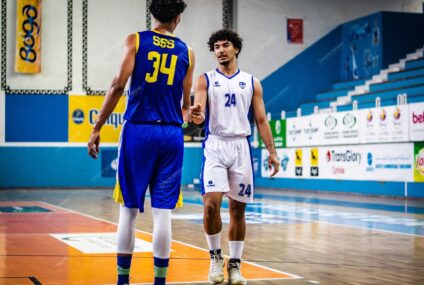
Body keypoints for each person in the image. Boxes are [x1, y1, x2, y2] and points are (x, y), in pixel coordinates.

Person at [87, 1, 194, 284]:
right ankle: (160, 281)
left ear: (152, 14)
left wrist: (97, 126)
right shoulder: (188, 52)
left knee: (129, 210)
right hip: (171, 135)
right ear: (178, 18)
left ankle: (123, 280)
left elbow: (118, 85)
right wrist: (187, 115)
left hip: (139, 131)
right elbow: (186, 106)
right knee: (163, 213)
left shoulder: (136, 39)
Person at [189, 29, 279, 285]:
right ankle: (216, 257)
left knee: (238, 209)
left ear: (236, 49)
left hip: (241, 146)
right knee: (210, 205)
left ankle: (236, 265)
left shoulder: (252, 82)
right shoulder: (205, 79)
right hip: (215, 145)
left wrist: (272, 152)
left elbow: (261, 120)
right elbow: (201, 112)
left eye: (225, 45)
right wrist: (197, 115)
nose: (220, 50)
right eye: (216, 46)